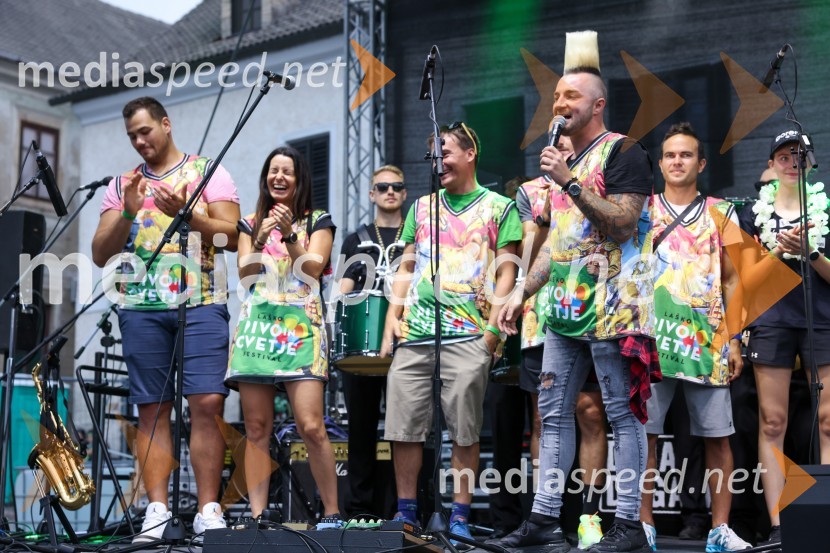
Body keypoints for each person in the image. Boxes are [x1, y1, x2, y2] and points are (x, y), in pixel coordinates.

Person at [494, 30, 655, 553]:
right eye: (557, 96)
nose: (560, 104)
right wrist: (521, 290)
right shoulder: (560, 163)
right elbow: (556, 245)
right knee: (553, 413)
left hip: (612, 309)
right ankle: (543, 522)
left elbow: (624, 224)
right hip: (564, 309)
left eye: (571, 97)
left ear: (597, 105)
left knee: (617, 413)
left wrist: (567, 183)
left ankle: (628, 525)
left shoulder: (623, 152)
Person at [91, 96, 240, 541]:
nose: (139, 141)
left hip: (203, 302)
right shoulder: (123, 186)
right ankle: (157, 510)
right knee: (152, 410)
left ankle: (208, 509)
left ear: (166, 124)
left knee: (207, 405)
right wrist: (131, 213)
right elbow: (101, 252)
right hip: (141, 307)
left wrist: (187, 214)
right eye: (132, 136)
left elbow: (230, 235)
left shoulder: (207, 171)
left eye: (145, 131)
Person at [379, 122, 522, 542]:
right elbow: (406, 266)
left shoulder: (499, 206)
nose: (438, 163)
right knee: (403, 427)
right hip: (418, 332)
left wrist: (493, 332)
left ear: (469, 154)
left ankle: (458, 515)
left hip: (469, 334)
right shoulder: (421, 208)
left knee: (463, 429)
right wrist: (393, 316)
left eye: (445, 154)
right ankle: (406, 513)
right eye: (433, 157)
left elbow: (507, 272)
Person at [639, 122, 751, 551]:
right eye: (670, 155)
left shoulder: (722, 212)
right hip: (653, 340)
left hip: (707, 342)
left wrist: (735, 336)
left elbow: (735, 281)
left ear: (701, 163)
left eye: (686, 155)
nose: (677, 161)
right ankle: (643, 525)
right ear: (661, 163)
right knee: (643, 436)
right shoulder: (643, 210)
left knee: (718, 437)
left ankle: (719, 530)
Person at [225, 146, 340, 523]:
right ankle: (258, 516)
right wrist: (258, 239)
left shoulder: (318, 220)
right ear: (265, 178)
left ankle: (331, 513)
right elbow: (246, 277)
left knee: (311, 425)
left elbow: (312, 269)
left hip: (301, 328)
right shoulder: (248, 222)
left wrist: (290, 234)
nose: (279, 177)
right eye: (273, 171)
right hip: (259, 328)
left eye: (287, 172)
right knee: (256, 427)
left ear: (299, 179)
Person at [515, 136, 609, 550]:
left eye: (572, 139)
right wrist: (541, 225)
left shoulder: (604, 179)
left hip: (595, 310)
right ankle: (544, 513)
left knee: (590, 412)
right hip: (544, 314)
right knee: (544, 416)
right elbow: (530, 253)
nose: (564, 143)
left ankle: (589, 515)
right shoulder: (532, 193)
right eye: (558, 138)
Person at [738, 129, 830, 548]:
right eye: (784, 155)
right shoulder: (751, 213)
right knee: (773, 421)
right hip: (771, 320)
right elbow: (747, 282)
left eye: (800, 155)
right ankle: (778, 526)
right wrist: (777, 251)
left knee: (828, 421)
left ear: (810, 163)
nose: (792, 161)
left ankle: (826, 519)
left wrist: (811, 251)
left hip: (822, 319)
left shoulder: (828, 207)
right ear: (772, 163)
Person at [337, 164, 407, 517]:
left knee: (404, 429)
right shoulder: (357, 237)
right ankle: (358, 511)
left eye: (396, 186)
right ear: (372, 193)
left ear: (405, 193)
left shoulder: (416, 234)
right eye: (382, 187)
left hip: (405, 341)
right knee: (360, 429)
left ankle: (405, 510)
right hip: (361, 343)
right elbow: (344, 285)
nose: (390, 192)